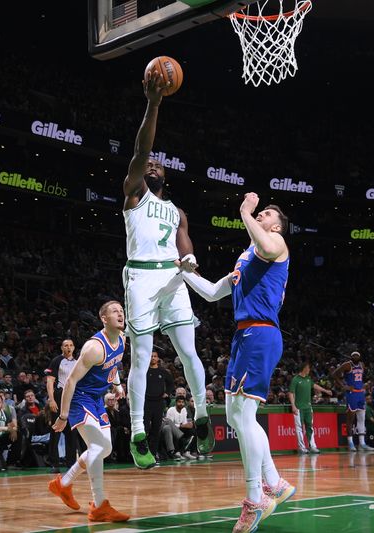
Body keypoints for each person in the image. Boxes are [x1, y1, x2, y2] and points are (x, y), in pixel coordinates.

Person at [179, 193, 295, 533]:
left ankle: (255, 498)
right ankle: (274, 482)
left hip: (260, 334)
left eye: (266, 213)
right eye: (259, 212)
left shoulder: (276, 243)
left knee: (242, 416)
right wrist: (184, 273)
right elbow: (215, 293)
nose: (261, 214)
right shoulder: (247, 257)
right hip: (245, 335)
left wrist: (245, 212)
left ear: (275, 225)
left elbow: (269, 247)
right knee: (235, 415)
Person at [121, 70, 213, 469]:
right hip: (141, 276)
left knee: (188, 352)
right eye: (149, 163)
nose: (152, 164)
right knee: (141, 357)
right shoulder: (134, 194)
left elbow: (184, 246)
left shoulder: (178, 211)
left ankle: (204, 411)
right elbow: (142, 149)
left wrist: (190, 260)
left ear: (167, 177)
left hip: (172, 277)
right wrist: (154, 103)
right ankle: (139, 431)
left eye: (159, 164)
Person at [47, 301, 130, 523]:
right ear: (104, 318)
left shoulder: (122, 338)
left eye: (122, 310)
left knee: (105, 448)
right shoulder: (94, 347)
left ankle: (63, 484)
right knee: (97, 447)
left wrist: (117, 384)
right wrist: (63, 415)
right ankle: (99, 505)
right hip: (78, 398)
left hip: (96, 399)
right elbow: (71, 381)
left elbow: (114, 367)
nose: (120, 314)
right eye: (115, 311)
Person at [45, 339, 79, 471]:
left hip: (73, 397)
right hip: (59, 395)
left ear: (74, 347)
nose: (68, 347)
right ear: (62, 348)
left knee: (72, 431)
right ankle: (54, 463)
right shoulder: (56, 361)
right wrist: (51, 399)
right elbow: (50, 382)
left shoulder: (77, 362)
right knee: (56, 430)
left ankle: (71, 463)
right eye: (66, 345)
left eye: (71, 345)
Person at [332, 351, 374, 451]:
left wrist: (365, 384)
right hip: (352, 393)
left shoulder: (362, 365)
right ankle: (350, 443)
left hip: (360, 393)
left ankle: (362, 443)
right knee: (350, 418)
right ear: (351, 357)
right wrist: (343, 386)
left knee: (361, 418)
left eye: (357, 355)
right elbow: (334, 374)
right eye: (354, 355)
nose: (356, 357)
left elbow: (360, 378)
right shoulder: (347, 365)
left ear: (360, 357)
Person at [289, 360, 331, 454]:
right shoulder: (295, 379)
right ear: (304, 368)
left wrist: (325, 391)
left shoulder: (308, 378)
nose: (309, 369)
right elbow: (291, 393)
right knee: (299, 428)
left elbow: (315, 385)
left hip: (308, 408)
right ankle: (302, 447)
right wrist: (293, 406)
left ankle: (312, 446)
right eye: (308, 368)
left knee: (310, 427)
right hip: (299, 408)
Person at [145, 350, 174, 459]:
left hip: (158, 403)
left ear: (158, 359)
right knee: (145, 429)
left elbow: (171, 383)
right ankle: (144, 453)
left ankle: (153, 454)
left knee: (156, 430)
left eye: (155, 356)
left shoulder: (163, 371)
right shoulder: (144, 371)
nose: (153, 358)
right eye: (151, 356)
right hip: (146, 402)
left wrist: (167, 393)